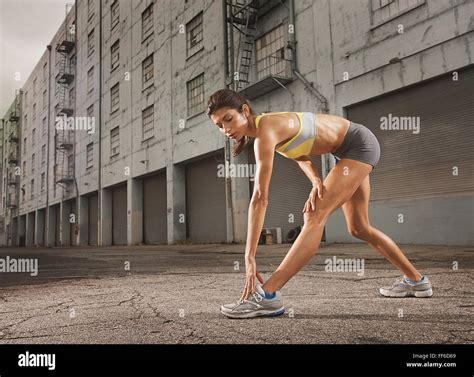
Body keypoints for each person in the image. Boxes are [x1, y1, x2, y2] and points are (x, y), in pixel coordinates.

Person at [206, 88, 433, 319]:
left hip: (357, 146)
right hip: (349, 150)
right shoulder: (267, 128)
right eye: (219, 125)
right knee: (359, 227)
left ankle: (268, 295)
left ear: (244, 110)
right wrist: (315, 179)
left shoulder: (266, 131)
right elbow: (298, 153)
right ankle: (416, 281)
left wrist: (249, 257)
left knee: (314, 216)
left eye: (229, 119)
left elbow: (259, 198)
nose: (226, 129)